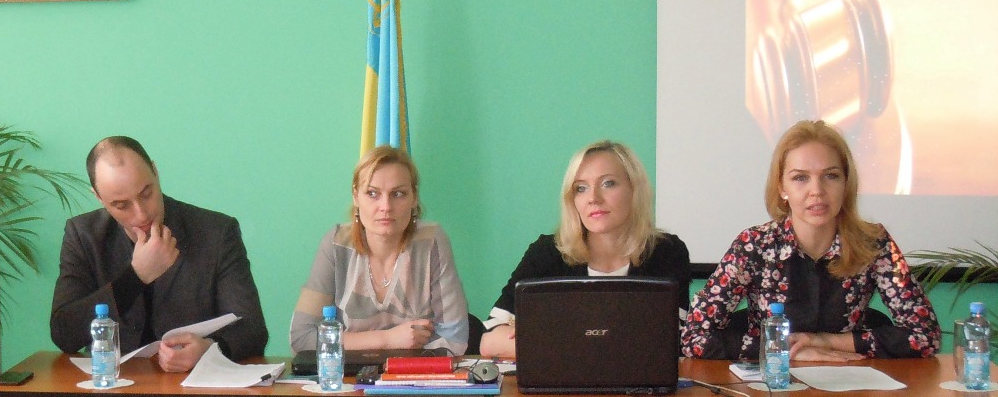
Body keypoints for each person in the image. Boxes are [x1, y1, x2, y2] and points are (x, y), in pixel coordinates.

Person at [681, 119, 940, 361]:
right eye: (800, 178)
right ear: (782, 187)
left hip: (849, 378)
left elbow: (925, 335)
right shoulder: (754, 245)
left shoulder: (873, 243)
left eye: (830, 176)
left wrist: (824, 342)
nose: (816, 191)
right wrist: (790, 352)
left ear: (846, 183)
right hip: (774, 379)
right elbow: (694, 337)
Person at [50, 136, 268, 372]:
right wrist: (135, 278)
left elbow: (253, 329)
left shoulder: (216, 232)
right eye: (122, 205)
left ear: (155, 172)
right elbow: (64, 334)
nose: (142, 213)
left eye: (146, 193)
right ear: (99, 197)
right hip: (115, 381)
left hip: (189, 383)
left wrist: (211, 348)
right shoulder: (83, 235)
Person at [479, 140, 691, 360]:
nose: (593, 199)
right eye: (581, 188)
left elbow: (668, 342)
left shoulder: (666, 251)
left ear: (634, 189)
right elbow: (490, 341)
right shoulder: (548, 252)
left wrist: (547, 340)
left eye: (608, 183)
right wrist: (597, 344)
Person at [290, 145, 469, 355]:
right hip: (348, 373)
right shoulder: (337, 244)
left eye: (398, 194)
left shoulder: (431, 242)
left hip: (416, 373)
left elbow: (455, 339)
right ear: (356, 196)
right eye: (372, 193)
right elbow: (301, 338)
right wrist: (387, 339)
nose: (386, 206)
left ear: (414, 197)